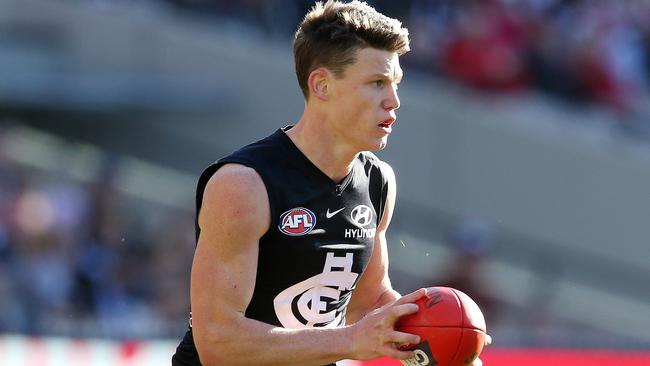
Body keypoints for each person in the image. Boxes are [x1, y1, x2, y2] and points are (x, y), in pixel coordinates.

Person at [172, 1, 487, 365]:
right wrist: (351, 341)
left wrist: (442, 338)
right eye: (376, 83)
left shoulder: (378, 181)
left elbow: (368, 303)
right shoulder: (244, 185)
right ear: (321, 84)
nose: (394, 101)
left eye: (395, 84)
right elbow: (218, 343)